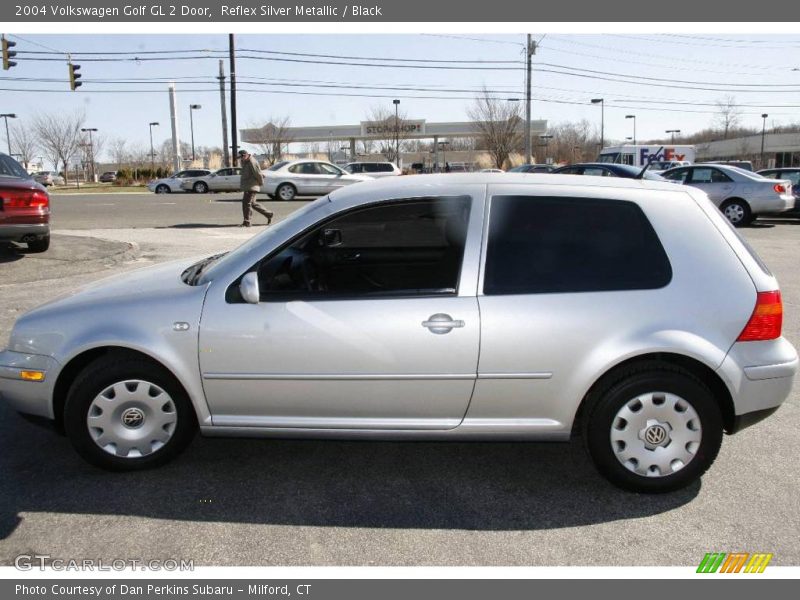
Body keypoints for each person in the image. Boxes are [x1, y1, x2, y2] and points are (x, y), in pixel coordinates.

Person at [238, 149, 273, 227]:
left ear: (245, 155)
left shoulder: (252, 162)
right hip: (248, 185)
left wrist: (261, 183)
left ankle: (247, 221)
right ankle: (269, 214)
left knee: (246, 203)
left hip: (252, 186)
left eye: (241, 157)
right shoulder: (245, 162)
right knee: (253, 204)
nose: (240, 159)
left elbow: (258, 174)